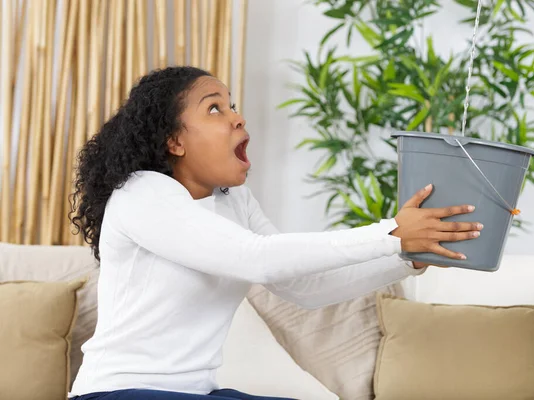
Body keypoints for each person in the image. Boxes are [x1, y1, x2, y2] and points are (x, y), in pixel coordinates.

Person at [67, 66, 483, 400]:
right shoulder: (142, 194)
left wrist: (405, 257)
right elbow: (258, 259)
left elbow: (303, 287)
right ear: (174, 140)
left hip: (198, 392)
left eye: (232, 105)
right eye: (214, 109)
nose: (237, 117)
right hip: (118, 391)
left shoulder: (234, 202)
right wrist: (390, 232)